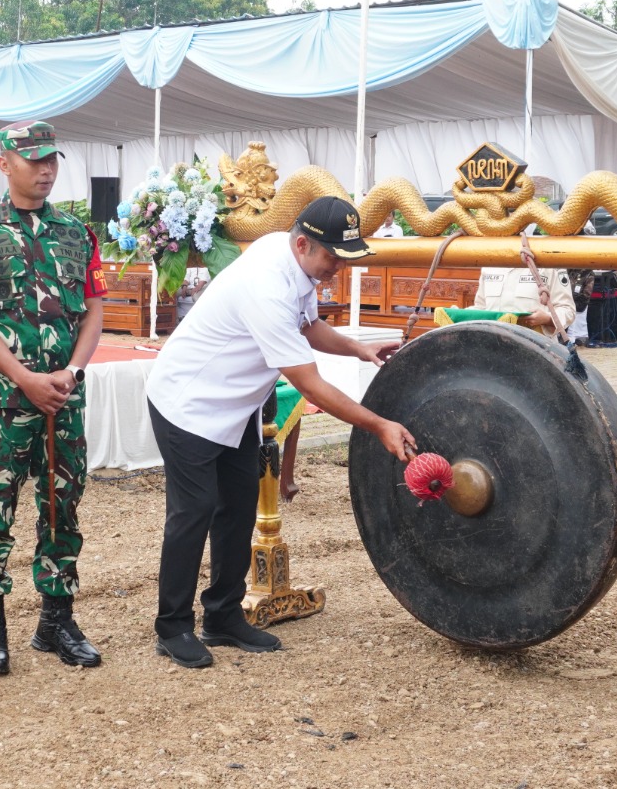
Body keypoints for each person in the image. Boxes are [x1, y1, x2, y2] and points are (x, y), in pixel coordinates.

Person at [145, 196, 417, 668]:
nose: (337, 268)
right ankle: (172, 626)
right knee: (195, 511)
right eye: (333, 257)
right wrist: (377, 425)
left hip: (234, 407)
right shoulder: (266, 284)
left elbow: (309, 327)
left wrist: (360, 349)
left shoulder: (295, 260)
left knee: (238, 507)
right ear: (303, 243)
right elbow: (308, 382)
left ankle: (223, 616)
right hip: (188, 402)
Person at [0, 120, 108, 676]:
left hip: (63, 397)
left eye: (51, 160)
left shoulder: (77, 233)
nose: (44, 170)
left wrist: (72, 370)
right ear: (4, 162)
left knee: (63, 506)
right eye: (32, 160)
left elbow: (93, 310)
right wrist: (25, 378)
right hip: (3, 400)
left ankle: (56, 619)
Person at [471, 250, 577, 338]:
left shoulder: (548, 264)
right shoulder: (490, 265)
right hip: (492, 345)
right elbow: (481, 308)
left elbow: (568, 309)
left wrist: (548, 319)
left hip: (535, 348)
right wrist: (456, 314)